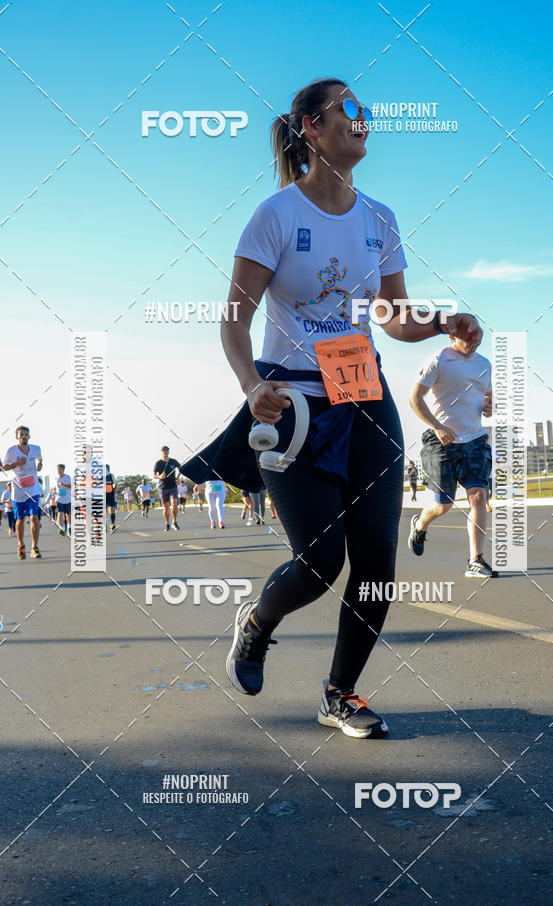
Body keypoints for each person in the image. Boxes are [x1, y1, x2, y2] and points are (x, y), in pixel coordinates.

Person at [182, 77, 482, 738]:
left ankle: (340, 694)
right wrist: (248, 384)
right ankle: (258, 622)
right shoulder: (276, 215)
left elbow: (394, 316)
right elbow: (234, 320)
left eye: (366, 108)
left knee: (377, 562)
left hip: (366, 398)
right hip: (291, 405)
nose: (362, 117)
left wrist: (441, 322)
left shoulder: (380, 218)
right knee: (321, 563)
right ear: (311, 130)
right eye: (347, 108)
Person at [407, 332, 497, 578]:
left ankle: (475, 560)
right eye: (468, 337)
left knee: (479, 497)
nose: (474, 341)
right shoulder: (438, 360)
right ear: (452, 336)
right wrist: (437, 427)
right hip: (441, 443)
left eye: (478, 336)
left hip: (475, 440)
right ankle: (420, 524)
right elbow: (415, 399)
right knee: (443, 505)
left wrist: (490, 404)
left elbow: (488, 394)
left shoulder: (484, 364)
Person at [2, 426, 43, 559]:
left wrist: (40, 464)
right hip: (18, 489)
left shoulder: (36, 448)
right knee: (20, 519)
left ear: (29, 436)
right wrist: (17, 463)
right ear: (17, 437)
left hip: (33, 488)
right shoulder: (11, 451)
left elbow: (39, 458)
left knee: (34, 517)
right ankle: (21, 546)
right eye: (21, 435)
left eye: (26, 434)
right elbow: (4, 467)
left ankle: (34, 547)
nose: (24, 436)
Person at [153, 446, 181, 531]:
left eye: (167, 451)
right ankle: (167, 523)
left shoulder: (173, 461)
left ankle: (174, 522)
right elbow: (154, 475)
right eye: (164, 451)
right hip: (163, 487)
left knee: (174, 503)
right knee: (166, 506)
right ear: (161, 452)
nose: (165, 452)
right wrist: (159, 476)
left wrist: (177, 477)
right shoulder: (158, 463)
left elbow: (181, 468)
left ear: (169, 452)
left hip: (173, 486)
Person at [56, 464, 72, 536]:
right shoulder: (56, 478)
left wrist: (63, 484)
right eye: (57, 469)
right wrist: (54, 491)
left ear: (63, 470)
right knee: (60, 513)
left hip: (67, 499)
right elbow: (54, 488)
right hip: (59, 499)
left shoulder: (68, 477)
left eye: (59, 469)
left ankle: (69, 527)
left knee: (68, 515)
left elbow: (71, 486)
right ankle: (62, 528)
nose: (58, 471)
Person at [105, 464, 118, 533]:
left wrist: (114, 487)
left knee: (111, 509)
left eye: (108, 468)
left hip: (110, 494)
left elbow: (115, 483)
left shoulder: (111, 475)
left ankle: (112, 524)